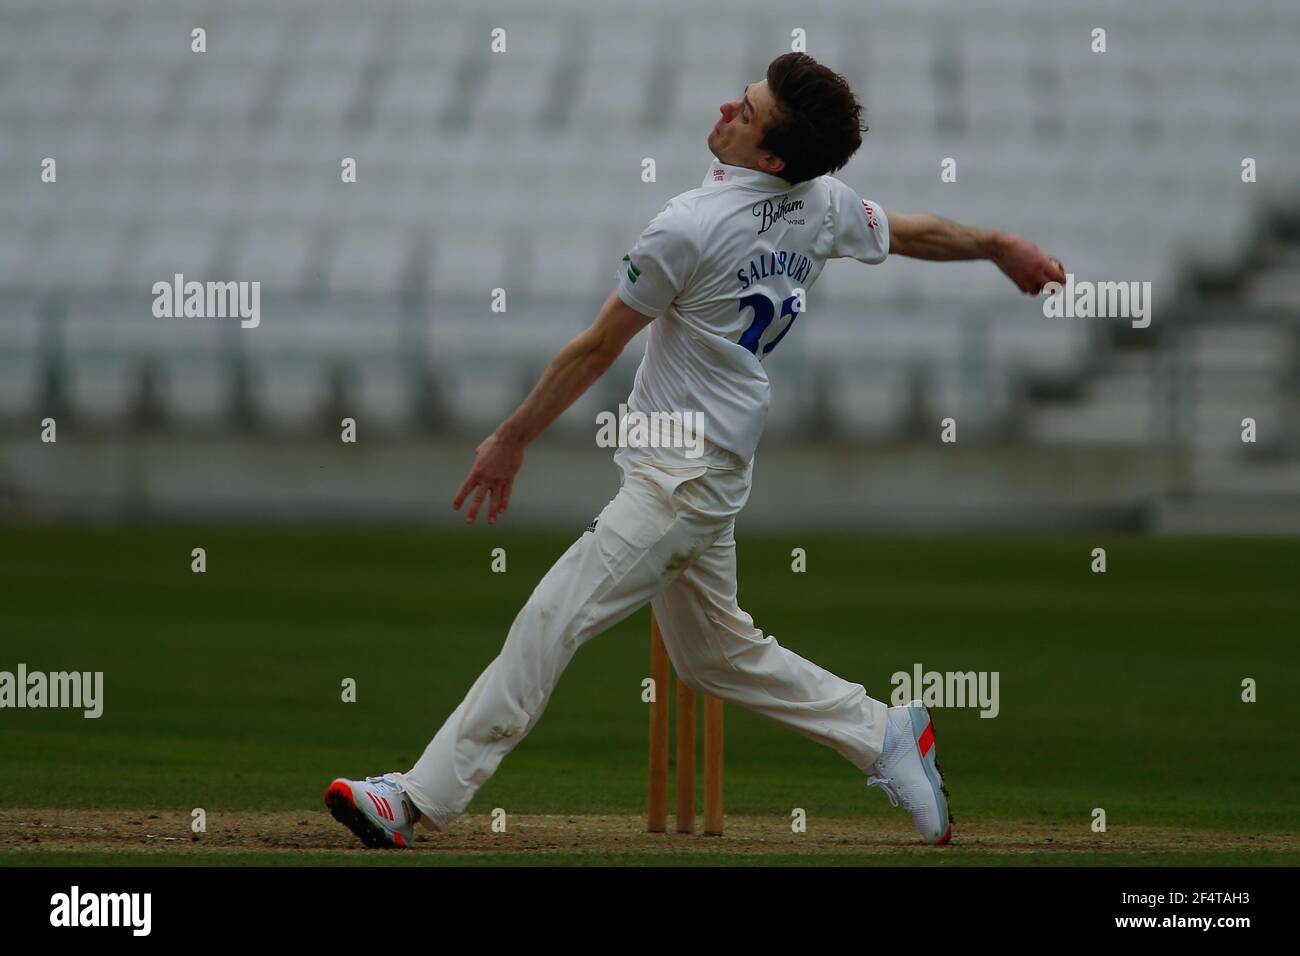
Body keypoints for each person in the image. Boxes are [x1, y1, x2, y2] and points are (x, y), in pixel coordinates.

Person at [325, 52, 1065, 849]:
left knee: (553, 615)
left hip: (680, 476)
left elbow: (595, 349)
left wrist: (511, 439)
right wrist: (994, 245)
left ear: (772, 156)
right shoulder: (819, 203)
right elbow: (911, 232)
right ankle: (884, 732)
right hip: (707, 467)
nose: (723, 110)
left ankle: (415, 799)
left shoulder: (688, 225)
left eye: (744, 113)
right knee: (715, 657)